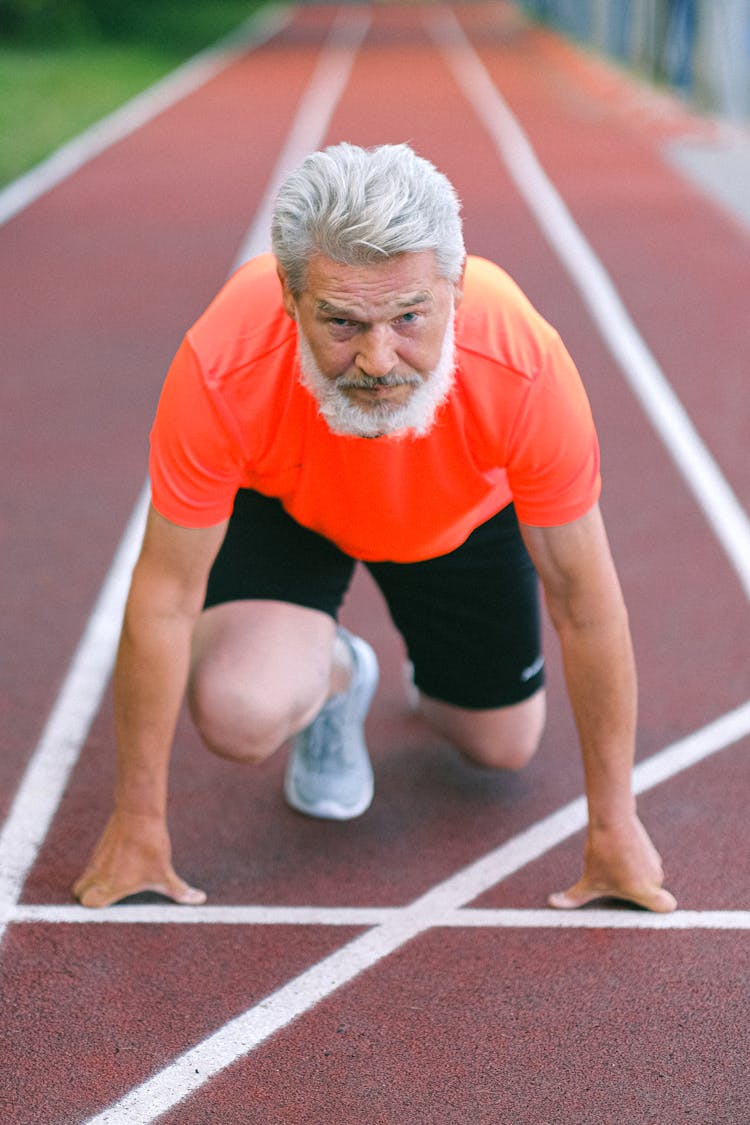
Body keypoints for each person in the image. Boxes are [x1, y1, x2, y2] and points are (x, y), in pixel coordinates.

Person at [74, 142, 676, 913]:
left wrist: (616, 822)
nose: (377, 359)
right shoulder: (223, 361)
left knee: (503, 746)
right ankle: (338, 674)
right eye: (342, 321)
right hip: (292, 505)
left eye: (409, 317)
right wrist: (137, 822)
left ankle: (422, 678)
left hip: (457, 518)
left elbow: (585, 600)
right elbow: (163, 596)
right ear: (290, 295)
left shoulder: (523, 363)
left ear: (455, 287)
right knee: (238, 711)